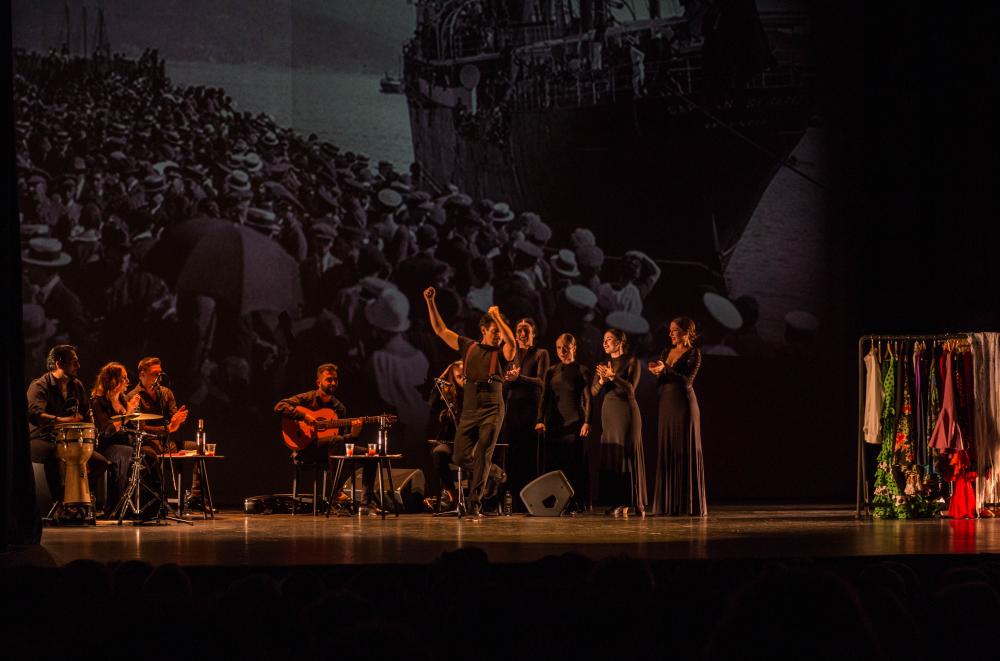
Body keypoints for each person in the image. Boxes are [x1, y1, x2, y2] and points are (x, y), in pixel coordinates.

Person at [424, 286, 516, 517]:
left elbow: (512, 343)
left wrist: (497, 316)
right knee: (460, 455)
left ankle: (474, 503)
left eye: (500, 332)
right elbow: (441, 330)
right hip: (471, 406)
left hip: (492, 405)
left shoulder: (501, 353)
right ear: (483, 330)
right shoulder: (468, 346)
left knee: (483, 451)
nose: (498, 336)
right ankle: (495, 473)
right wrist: (430, 302)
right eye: (494, 331)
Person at [274, 364, 376, 512]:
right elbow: (280, 406)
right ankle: (337, 493)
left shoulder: (339, 408)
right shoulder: (308, 398)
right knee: (336, 441)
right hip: (307, 448)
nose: (333, 383)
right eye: (329, 379)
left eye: (335, 380)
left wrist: (354, 434)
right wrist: (304, 416)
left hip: (331, 450)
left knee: (371, 455)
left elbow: (343, 441)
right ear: (319, 382)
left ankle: (366, 504)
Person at [27, 344, 109, 509]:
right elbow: (35, 415)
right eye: (74, 362)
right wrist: (64, 420)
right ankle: (61, 504)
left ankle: (73, 495)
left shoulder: (76, 385)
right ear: (59, 364)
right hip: (41, 438)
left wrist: (89, 442)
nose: (78, 365)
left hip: (69, 441)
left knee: (101, 462)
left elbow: (86, 414)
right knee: (56, 454)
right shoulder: (40, 385)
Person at [648, 317, 706, 516]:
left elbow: (686, 381)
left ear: (686, 332)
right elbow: (663, 380)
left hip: (684, 404)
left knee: (683, 449)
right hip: (667, 402)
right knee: (668, 449)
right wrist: (658, 372)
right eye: (670, 330)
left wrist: (665, 370)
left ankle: (686, 504)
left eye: (674, 330)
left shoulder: (694, 353)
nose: (670, 334)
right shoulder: (666, 352)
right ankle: (667, 504)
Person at [126, 357, 196, 508]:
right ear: (142, 375)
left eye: (160, 373)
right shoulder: (133, 397)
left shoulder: (166, 393)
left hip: (166, 443)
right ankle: (157, 502)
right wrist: (168, 428)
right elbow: (141, 428)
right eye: (154, 374)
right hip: (147, 444)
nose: (158, 377)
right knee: (150, 455)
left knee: (197, 448)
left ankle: (196, 497)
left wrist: (177, 420)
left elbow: (173, 420)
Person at [592, 328, 646, 517]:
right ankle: (617, 500)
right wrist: (601, 380)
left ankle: (635, 501)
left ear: (620, 342)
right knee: (614, 456)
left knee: (627, 454)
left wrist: (613, 376)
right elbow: (593, 391)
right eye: (603, 339)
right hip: (609, 412)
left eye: (609, 339)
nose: (605, 343)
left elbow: (630, 389)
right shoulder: (603, 364)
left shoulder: (632, 361)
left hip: (626, 412)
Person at [535, 333, 591, 514]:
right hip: (556, 425)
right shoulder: (552, 371)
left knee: (574, 463)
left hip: (575, 423)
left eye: (565, 347)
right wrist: (540, 420)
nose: (561, 351)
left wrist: (587, 422)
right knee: (556, 463)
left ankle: (575, 502)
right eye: (558, 348)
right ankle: (557, 502)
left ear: (574, 348)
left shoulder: (581, 370)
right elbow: (544, 397)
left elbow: (588, 399)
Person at [90, 361, 153, 517]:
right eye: (124, 378)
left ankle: (149, 506)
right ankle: (118, 506)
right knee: (129, 454)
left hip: (126, 444)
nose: (127, 381)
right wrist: (128, 414)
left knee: (150, 454)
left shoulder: (122, 399)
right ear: (113, 380)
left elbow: (131, 425)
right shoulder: (98, 402)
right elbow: (106, 431)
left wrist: (132, 413)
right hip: (107, 446)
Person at [501, 317, 550, 511]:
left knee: (529, 457)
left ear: (533, 333)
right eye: (519, 330)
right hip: (512, 412)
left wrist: (518, 377)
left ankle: (531, 503)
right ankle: (513, 503)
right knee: (512, 457)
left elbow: (542, 382)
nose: (522, 334)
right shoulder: (511, 355)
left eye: (526, 330)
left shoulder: (541, 354)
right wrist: (508, 380)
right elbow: (506, 385)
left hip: (531, 412)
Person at [427, 360, 465, 510]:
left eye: (465, 376)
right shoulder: (447, 396)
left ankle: (479, 499)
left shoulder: (473, 392)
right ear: (453, 378)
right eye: (459, 376)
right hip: (449, 441)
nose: (463, 380)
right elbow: (431, 403)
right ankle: (451, 493)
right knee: (438, 453)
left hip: (469, 442)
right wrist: (442, 378)